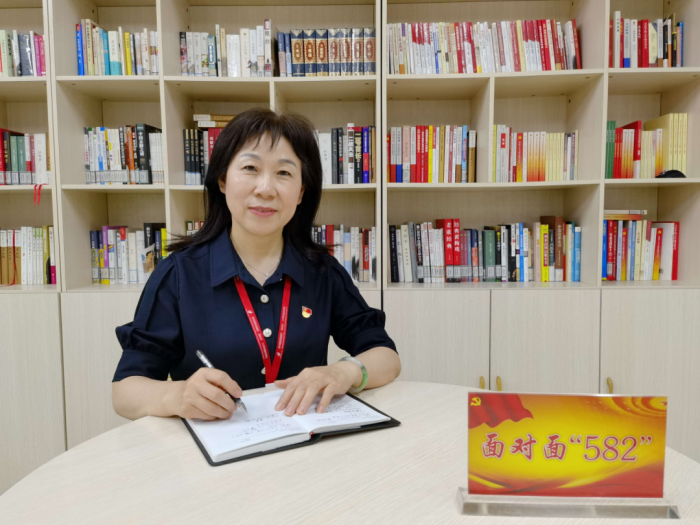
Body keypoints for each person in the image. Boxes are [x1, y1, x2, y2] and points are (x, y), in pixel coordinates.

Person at [112, 108, 400, 422]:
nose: (265, 189)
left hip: (306, 439)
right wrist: (177, 395)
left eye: (284, 173)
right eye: (250, 168)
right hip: (214, 444)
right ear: (222, 180)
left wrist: (344, 372)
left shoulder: (322, 271)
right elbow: (125, 391)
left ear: (301, 192)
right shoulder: (179, 274)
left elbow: (386, 356)